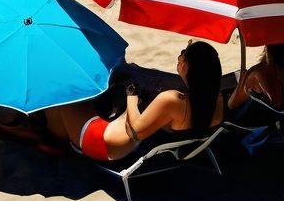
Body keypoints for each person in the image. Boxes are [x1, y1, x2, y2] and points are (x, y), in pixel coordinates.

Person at [25, 41, 225, 162]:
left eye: (184, 54)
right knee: (72, 102)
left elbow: (136, 129)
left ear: (189, 67)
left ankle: (50, 139)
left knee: (63, 94)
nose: (180, 57)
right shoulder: (215, 100)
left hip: (108, 144)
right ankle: (54, 138)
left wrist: (132, 97)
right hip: (133, 144)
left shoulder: (173, 100)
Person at [229, 45, 284, 113]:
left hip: (249, 117)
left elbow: (231, 105)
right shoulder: (260, 72)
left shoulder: (257, 73)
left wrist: (242, 80)